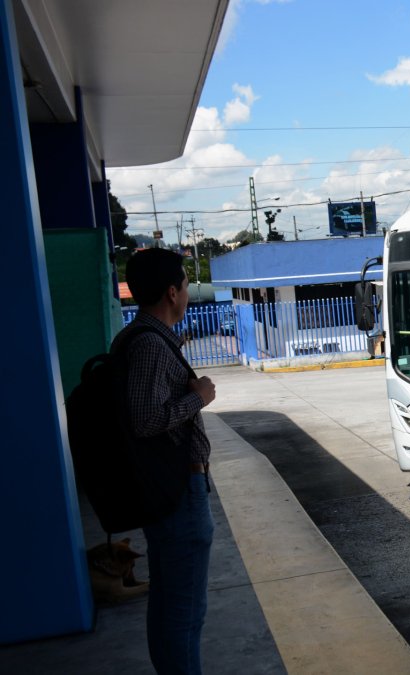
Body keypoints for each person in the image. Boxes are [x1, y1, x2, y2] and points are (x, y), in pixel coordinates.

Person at [120, 248, 217, 674]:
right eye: (185, 285)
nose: (188, 294)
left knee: (169, 608)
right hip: (177, 492)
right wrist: (197, 399)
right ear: (172, 292)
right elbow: (145, 421)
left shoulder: (142, 339)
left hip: (167, 490)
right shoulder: (151, 346)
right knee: (184, 615)